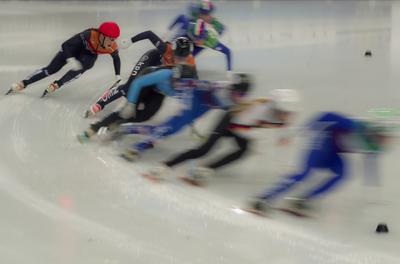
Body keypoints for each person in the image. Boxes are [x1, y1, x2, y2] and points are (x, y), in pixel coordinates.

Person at [248, 112, 392, 215]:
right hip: (323, 139)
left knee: (342, 174)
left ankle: (303, 200)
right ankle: (263, 198)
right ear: (374, 131)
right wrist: (294, 134)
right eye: (384, 137)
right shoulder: (353, 125)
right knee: (304, 173)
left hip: (335, 151)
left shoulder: (374, 146)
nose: (386, 140)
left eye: (388, 138)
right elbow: (326, 116)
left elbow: (371, 167)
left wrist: (374, 193)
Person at [145, 89, 299, 184]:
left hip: (244, 127)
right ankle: (165, 166)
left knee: (243, 151)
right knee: (204, 150)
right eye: (284, 113)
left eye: (288, 113)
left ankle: (205, 169)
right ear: (276, 108)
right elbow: (239, 128)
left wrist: (285, 142)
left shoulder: (284, 115)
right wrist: (254, 137)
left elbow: (287, 130)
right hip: (230, 122)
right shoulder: (260, 110)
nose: (286, 116)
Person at [115, 73, 253, 161]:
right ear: (232, 88)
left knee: (167, 129)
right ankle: (138, 147)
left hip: (200, 108)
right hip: (192, 98)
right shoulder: (220, 87)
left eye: (243, 95)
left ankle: (127, 129)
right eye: (238, 93)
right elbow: (196, 84)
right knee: (171, 127)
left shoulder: (233, 101)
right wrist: (179, 84)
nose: (239, 97)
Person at [77, 63, 198, 143]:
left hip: (158, 91)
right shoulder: (165, 74)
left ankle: (121, 125)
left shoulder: (187, 88)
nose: (175, 83)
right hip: (145, 81)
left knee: (146, 115)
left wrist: (192, 125)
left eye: (178, 83)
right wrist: (131, 104)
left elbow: (188, 104)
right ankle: (94, 128)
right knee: (126, 112)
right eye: (174, 80)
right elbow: (138, 84)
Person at [85, 33, 196, 117]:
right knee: (129, 87)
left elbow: (193, 87)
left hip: (161, 69)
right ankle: (101, 102)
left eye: (183, 58)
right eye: (176, 56)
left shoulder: (190, 63)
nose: (178, 59)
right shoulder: (165, 48)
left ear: (188, 56)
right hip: (152, 58)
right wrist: (130, 41)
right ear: (172, 50)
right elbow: (149, 34)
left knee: (145, 92)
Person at [7, 21, 121, 97]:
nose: (113, 42)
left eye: (114, 39)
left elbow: (116, 59)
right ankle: (24, 83)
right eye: (111, 39)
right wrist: (70, 58)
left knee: (86, 64)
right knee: (51, 69)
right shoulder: (89, 34)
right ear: (102, 35)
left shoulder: (112, 46)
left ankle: (58, 84)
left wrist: (118, 76)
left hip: (87, 55)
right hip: (73, 49)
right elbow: (65, 44)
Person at [168, 0, 231, 71]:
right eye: (203, 13)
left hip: (204, 42)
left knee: (188, 57)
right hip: (192, 36)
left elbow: (227, 51)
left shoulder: (211, 40)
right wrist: (169, 31)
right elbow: (180, 18)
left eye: (207, 14)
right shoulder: (188, 25)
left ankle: (181, 67)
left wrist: (229, 71)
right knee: (180, 50)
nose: (205, 16)